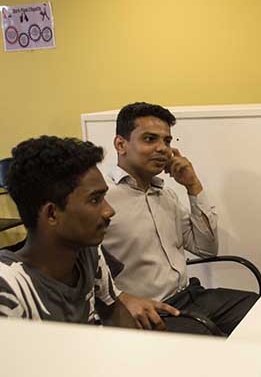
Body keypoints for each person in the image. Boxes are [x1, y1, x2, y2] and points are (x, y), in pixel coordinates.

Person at [102, 102, 258, 335]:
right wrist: (120, 299)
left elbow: (206, 249)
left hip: (189, 296)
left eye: (167, 141)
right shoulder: (102, 199)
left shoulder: (167, 196)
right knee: (206, 337)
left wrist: (193, 186)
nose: (162, 148)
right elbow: (83, 269)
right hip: (149, 312)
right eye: (149, 139)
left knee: (259, 309)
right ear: (120, 144)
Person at [0, 136, 176, 328]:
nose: (109, 211)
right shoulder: (9, 289)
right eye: (95, 200)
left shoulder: (87, 252)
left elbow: (113, 311)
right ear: (52, 214)